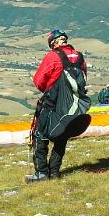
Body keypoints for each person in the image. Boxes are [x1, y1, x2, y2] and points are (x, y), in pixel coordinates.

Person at [26, 29, 90, 182]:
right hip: (70, 105)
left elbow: (39, 80)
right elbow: (84, 78)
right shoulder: (80, 57)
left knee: (40, 135)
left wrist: (50, 91)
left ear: (53, 43)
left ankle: (41, 173)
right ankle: (54, 172)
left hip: (51, 103)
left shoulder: (53, 56)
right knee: (61, 136)